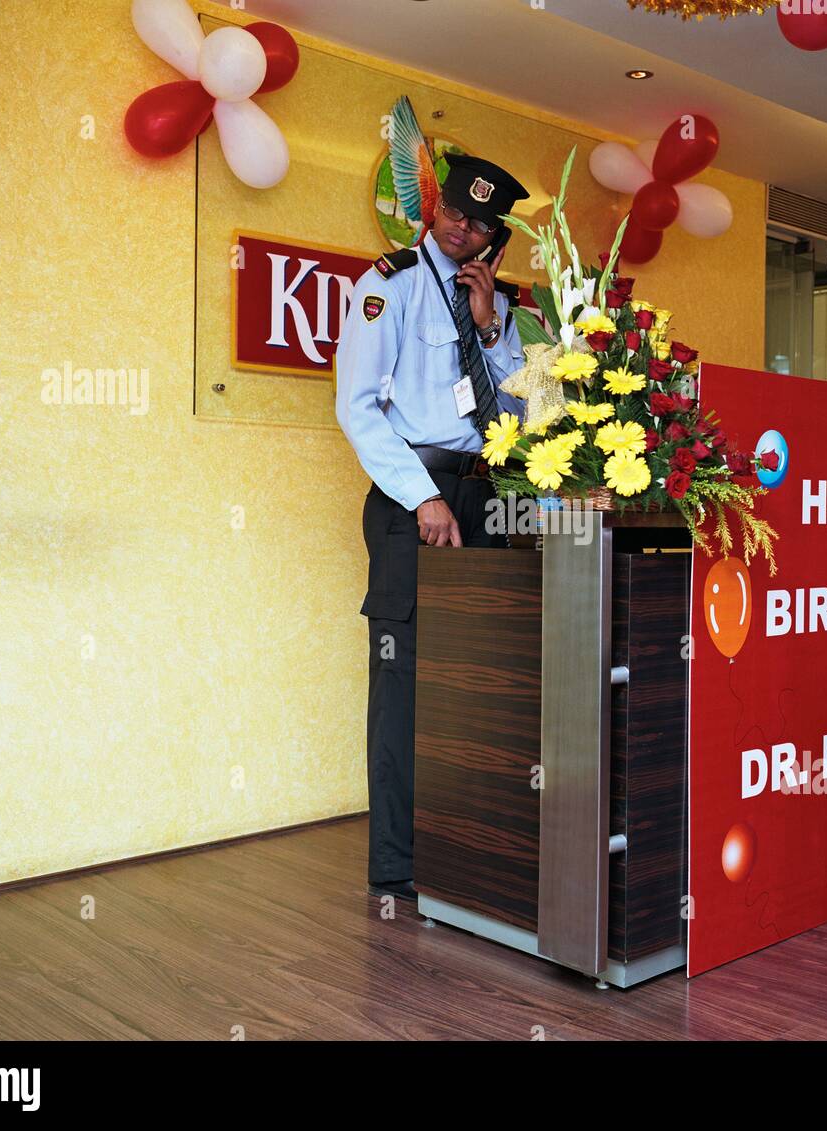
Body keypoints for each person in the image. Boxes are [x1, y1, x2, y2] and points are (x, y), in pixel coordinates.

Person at [335, 153, 530, 903]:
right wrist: (422, 496)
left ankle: (464, 848)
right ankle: (400, 864)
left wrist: (486, 332)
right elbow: (359, 406)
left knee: (477, 681)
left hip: (482, 499)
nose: (461, 227)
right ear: (431, 207)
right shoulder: (387, 286)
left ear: (494, 238)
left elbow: (516, 423)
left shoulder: (499, 309)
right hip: (411, 502)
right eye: (453, 210)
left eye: (478, 222)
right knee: (405, 683)